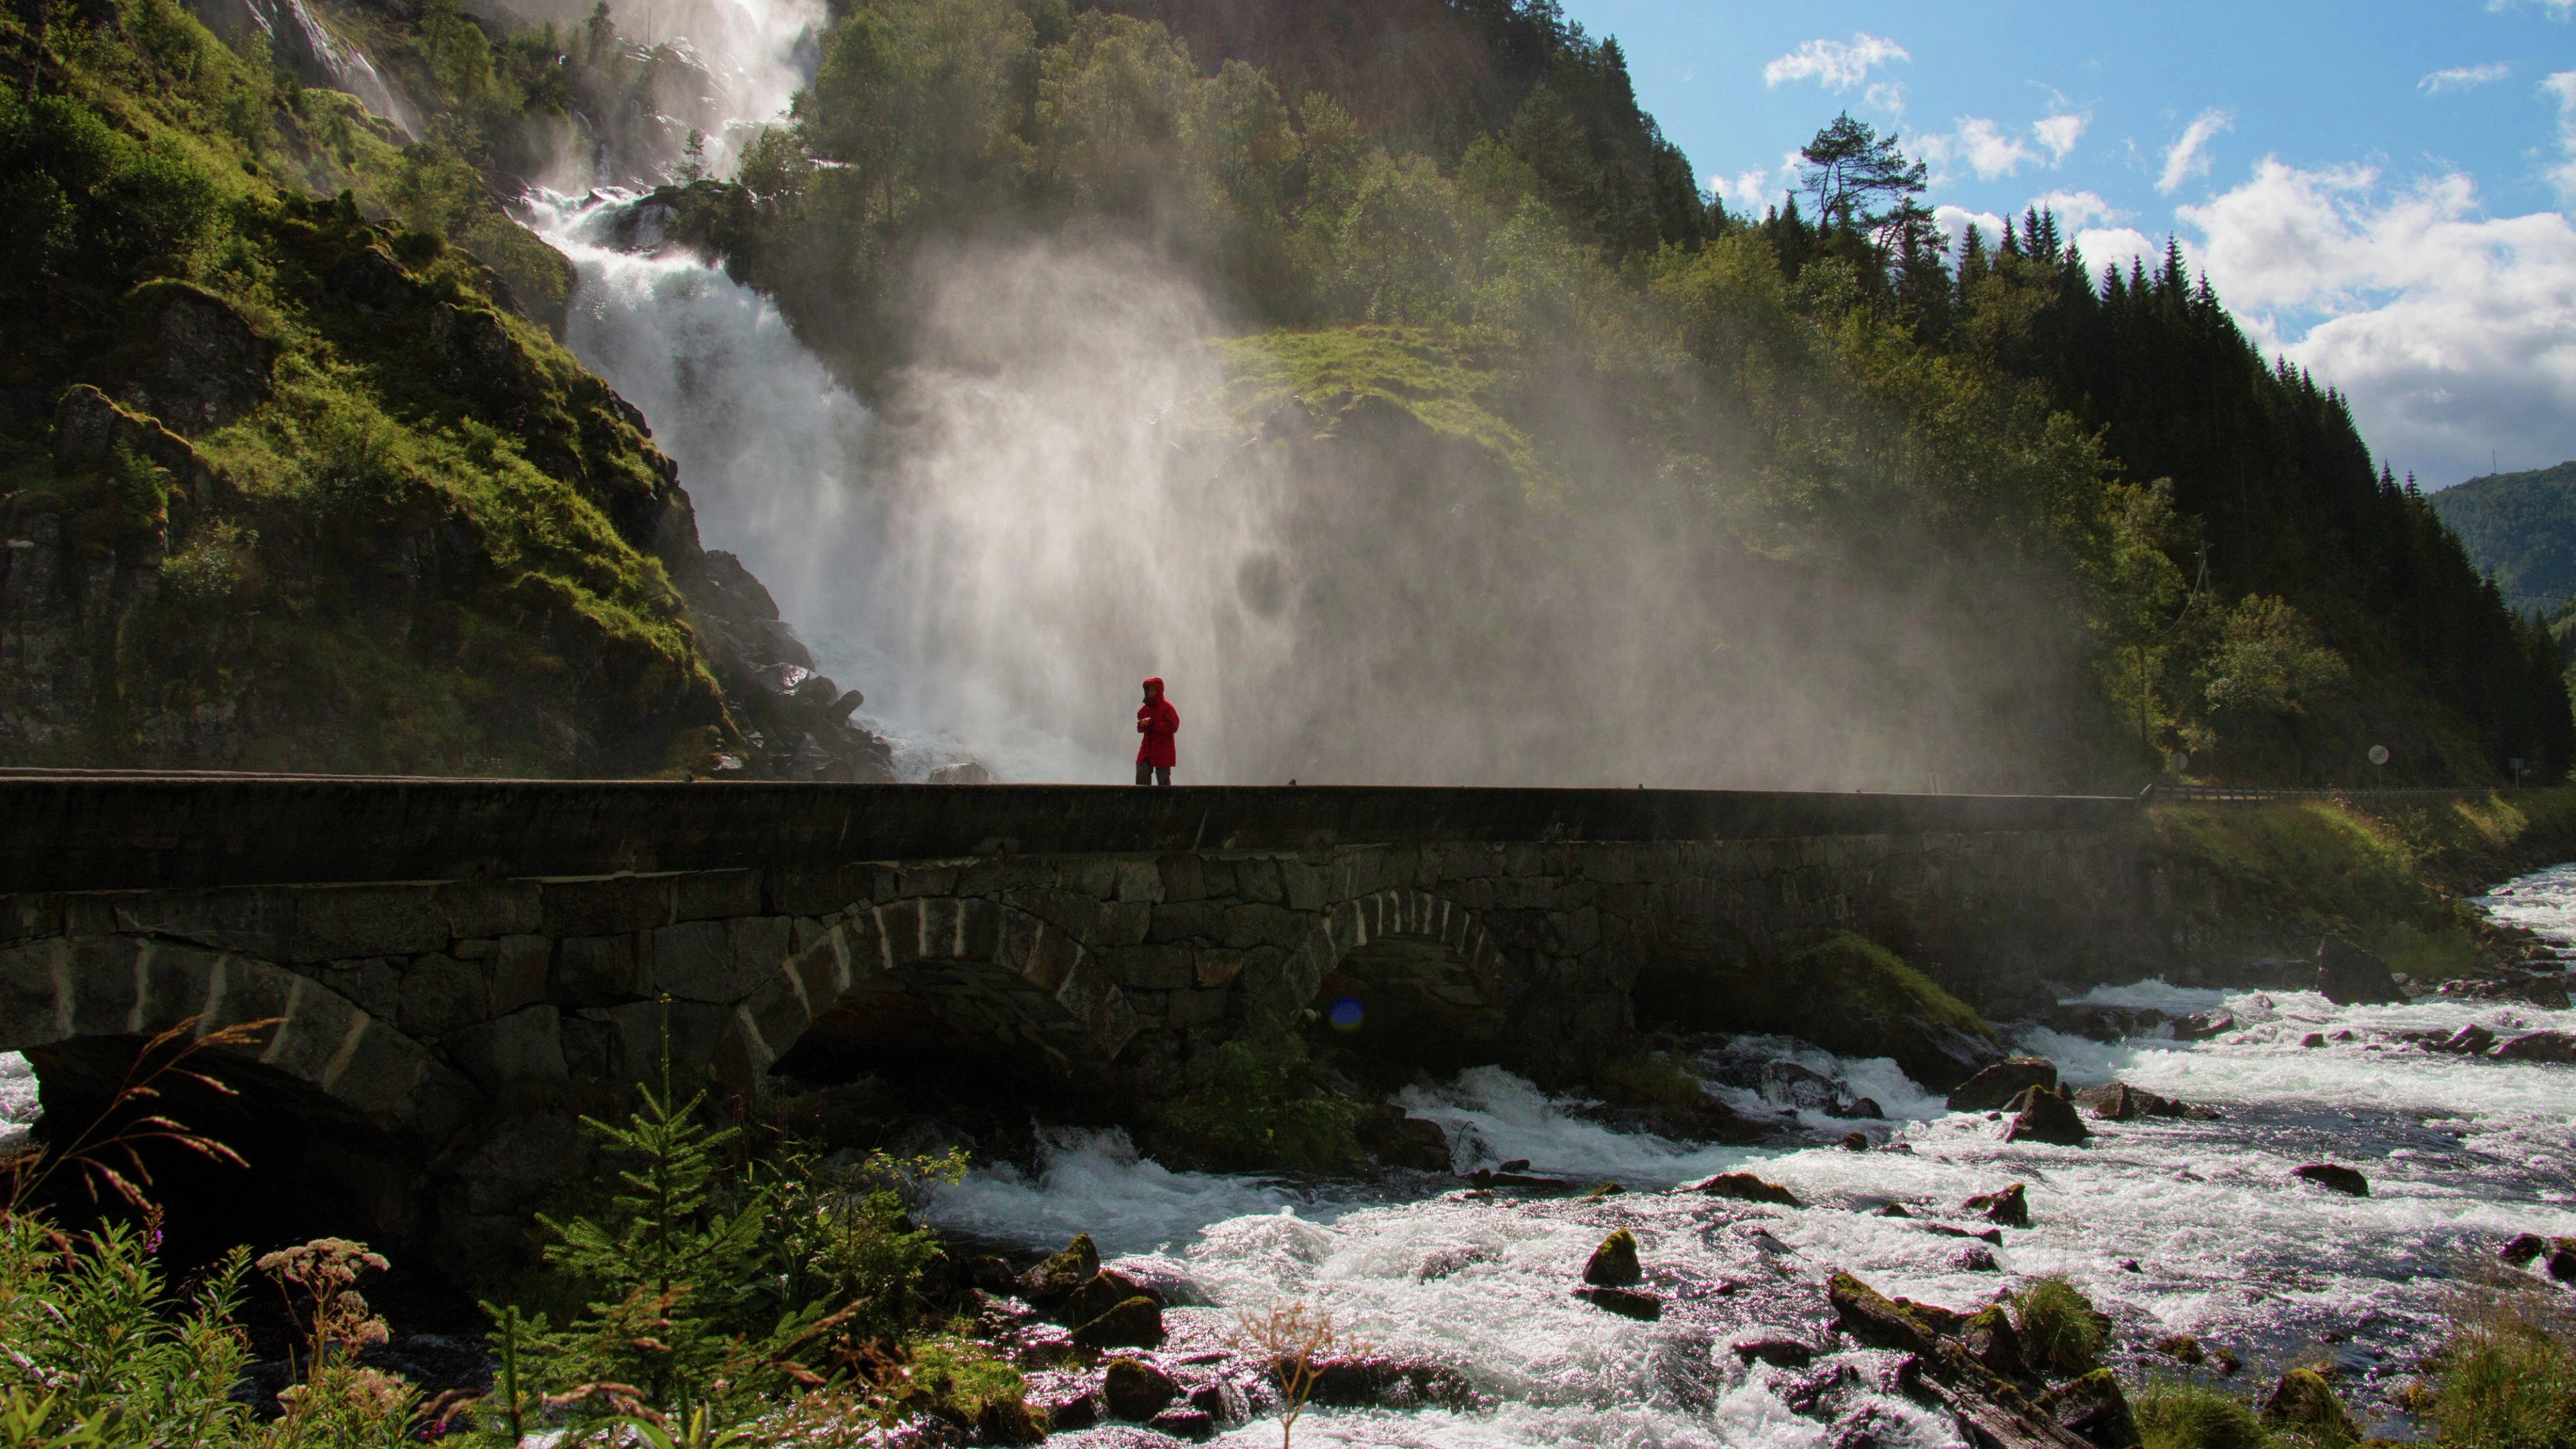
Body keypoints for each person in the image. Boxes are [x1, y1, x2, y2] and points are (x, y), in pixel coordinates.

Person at [1134, 677, 1178, 786]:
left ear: (1159, 690)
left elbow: (1174, 726)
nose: (1150, 692)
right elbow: (1140, 727)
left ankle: (1165, 802)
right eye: (1148, 690)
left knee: (1163, 778)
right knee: (1142, 771)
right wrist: (1142, 724)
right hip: (1147, 748)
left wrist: (1153, 724)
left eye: (1153, 690)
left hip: (1163, 749)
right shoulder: (1145, 709)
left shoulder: (1167, 708)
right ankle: (1144, 800)